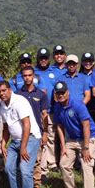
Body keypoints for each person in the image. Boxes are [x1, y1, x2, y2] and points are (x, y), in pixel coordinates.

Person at [54, 81, 95, 188]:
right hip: (72, 139)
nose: (61, 95)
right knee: (64, 164)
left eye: (63, 92)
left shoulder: (78, 105)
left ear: (67, 92)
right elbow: (59, 126)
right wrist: (63, 146)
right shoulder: (57, 107)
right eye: (58, 93)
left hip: (89, 138)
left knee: (86, 166)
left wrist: (85, 148)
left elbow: (86, 126)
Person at [0, 81, 42, 188]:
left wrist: (23, 147)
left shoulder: (20, 102)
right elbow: (6, 127)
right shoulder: (2, 105)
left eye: (4, 90)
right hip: (15, 140)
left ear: (10, 90)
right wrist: (4, 144)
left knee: (25, 169)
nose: (2, 93)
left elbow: (27, 125)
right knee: (9, 168)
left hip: (30, 138)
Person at [16, 66, 49, 188]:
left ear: (34, 77)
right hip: (21, 133)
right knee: (22, 161)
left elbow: (44, 115)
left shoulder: (41, 94)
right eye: (25, 76)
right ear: (22, 77)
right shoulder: (18, 94)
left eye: (30, 75)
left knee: (36, 161)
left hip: (37, 133)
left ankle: (36, 187)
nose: (27, 78)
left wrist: (45, 133)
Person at [35, 47, 59, 175]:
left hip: (52, 108)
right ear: (38, 59)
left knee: (51, 135)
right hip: (38, 110)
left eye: (45, 58)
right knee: (41, 136)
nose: (43, 60)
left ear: (49, 59)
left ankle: (52, 161)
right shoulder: (33, 72)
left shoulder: (54, 72)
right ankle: (41, 163)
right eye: (41, 58)